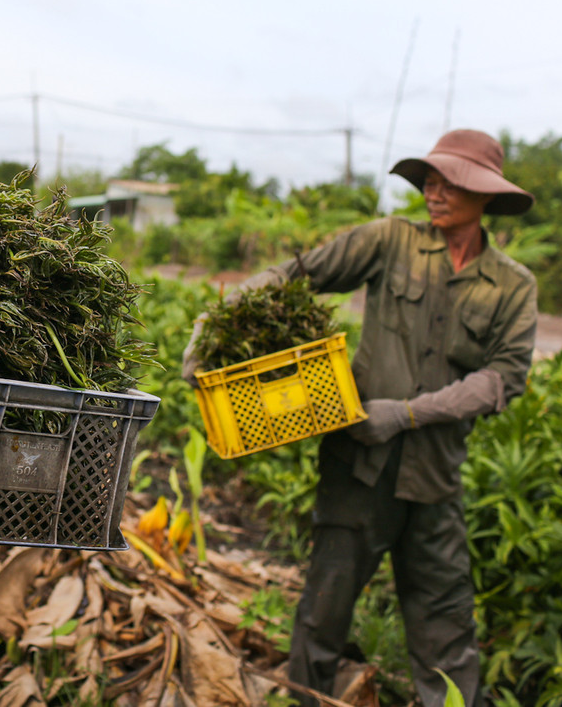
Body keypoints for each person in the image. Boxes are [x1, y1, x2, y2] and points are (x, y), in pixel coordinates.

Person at [182, 129, 537, 707]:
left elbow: (502, 378)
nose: (433, 191)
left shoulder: (513, 285)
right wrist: (216, 319)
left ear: (485, 194)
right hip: (358, 468)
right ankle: (307, 700)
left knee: (446, 626)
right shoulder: (390, 239)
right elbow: (298, 272)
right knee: (324, 611)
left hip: (434, 478)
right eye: (429, 180)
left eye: (449, 182)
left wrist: (405, 414)